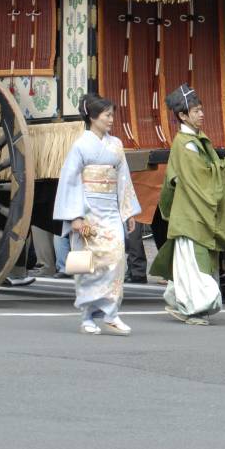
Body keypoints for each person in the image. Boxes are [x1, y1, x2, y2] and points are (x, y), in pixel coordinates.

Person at [150, 84, 225, 325]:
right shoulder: (186, 143)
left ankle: (183, 302)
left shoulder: (196, 140)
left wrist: (220, 165)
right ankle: (191, 308)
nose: (202, 114)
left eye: (201, 110)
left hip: (195, 211)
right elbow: (199, 177)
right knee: (193, 262)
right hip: (191, 211)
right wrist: (221, 168)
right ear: (182, 115)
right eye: (196, 111)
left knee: (194, 262)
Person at [53, 93, 141, 336]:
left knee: (116, 259)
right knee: (90, 265)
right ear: (93, 117)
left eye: (112, 115)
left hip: (111, 209)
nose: (112, 119)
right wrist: (76, 217)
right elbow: (70, 181)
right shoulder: (81, 144)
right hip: (88, 210)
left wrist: (128, 211)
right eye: (107, 115)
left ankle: (111, 314)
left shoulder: (116, 145)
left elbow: (123, 178)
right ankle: (87, 317)